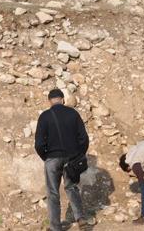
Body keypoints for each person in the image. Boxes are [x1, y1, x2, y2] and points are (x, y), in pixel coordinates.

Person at [34, 89, 92, 230]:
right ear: (63, 99)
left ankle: (55, 227)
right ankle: (81, 219)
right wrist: (79, 155)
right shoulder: (73, 113)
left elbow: (39, 144)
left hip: (52, 159)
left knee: (53, 193)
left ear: (49, 101)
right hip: (72, 158)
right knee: (71, 187)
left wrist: (46, 157)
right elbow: (83, 138)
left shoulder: (45, 116)